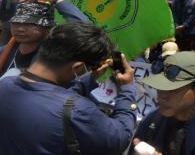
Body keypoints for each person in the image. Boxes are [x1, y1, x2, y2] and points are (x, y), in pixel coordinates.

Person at [0, 22, 136, 154]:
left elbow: (49, 98)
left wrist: (89, 78)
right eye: (91, 66)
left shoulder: (5, 83)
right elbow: (120, 137)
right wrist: (127, 89)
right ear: (78, 67)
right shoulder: (78, 110)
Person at [0, 0, 89, 77]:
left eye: (30, 24)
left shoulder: (55, 53)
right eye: (16, 23)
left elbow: (86, 29)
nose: (20, 29)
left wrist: (58, 0)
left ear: (48, 27)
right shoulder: (6, 51)